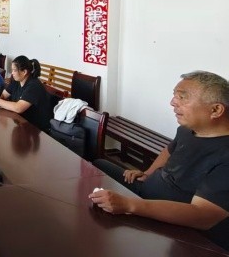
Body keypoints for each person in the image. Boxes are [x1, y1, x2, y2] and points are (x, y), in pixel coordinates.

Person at [90, 71, 229, 251]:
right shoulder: (188, 129)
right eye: (174, 95)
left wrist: (129, 205)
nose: (173, 102)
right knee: (98, 166)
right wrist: (147, 173)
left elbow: (204, 215)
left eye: (182, 97)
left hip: (181, 223)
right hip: (148, 190)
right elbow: (169, 150)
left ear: (216, 110)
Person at [0, 56, 50, 131]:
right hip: (20, 122)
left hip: (36, 129)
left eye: (14, 70)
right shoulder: (16, 81)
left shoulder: (34, 85)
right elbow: (3, 95)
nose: (12, 73)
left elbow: (18, 108)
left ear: (24, 72)